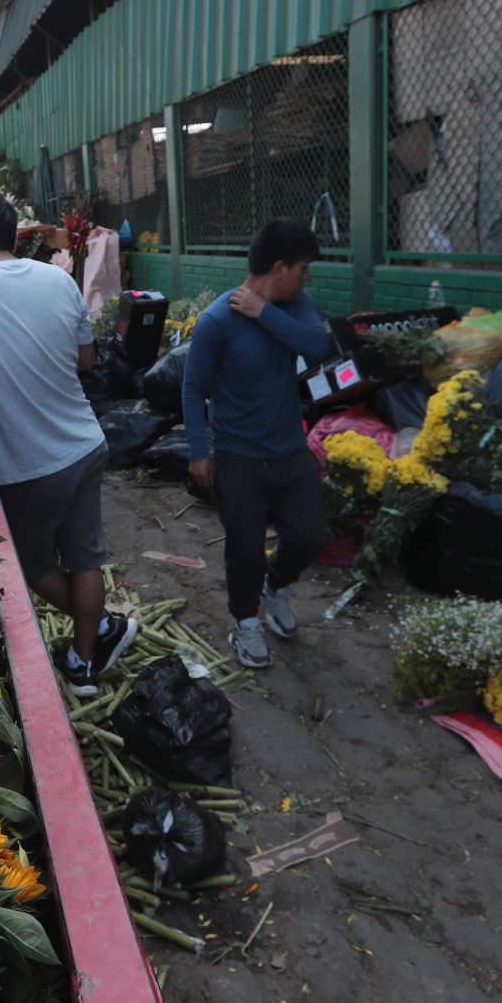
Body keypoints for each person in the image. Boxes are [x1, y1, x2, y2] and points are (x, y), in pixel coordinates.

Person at [0, 187, 138, 697]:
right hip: (85, 444)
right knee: (85, 559)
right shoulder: (56, 277)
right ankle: (84, 661)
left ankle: (100, 627)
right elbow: (86, 359)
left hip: (27, 462)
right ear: (12, 235)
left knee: (33, 566)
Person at [182, 218, 331, 669]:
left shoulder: (294, 305)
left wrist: (264, 313)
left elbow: (319, 346)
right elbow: (193, 387)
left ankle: (276, 585)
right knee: (244, 549)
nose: (308, 277)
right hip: (239, 457)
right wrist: (198, 452)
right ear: (279, 268)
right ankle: (245, 622)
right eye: (303, 268)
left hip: (289, 450)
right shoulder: (217, 320)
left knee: (310, 536)